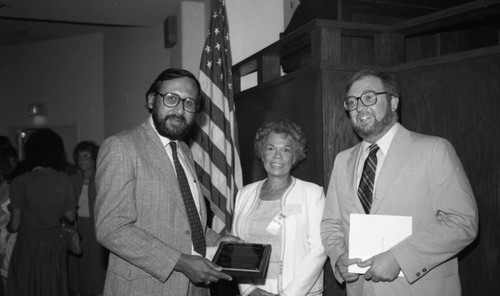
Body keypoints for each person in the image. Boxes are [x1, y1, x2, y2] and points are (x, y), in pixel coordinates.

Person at [320, 69, 478, 296]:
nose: (360, 107)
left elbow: (463, 222)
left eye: (369, 97)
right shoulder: (342, 160)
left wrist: (400, 258)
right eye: (352, 102)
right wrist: (338, 259)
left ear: (393, 102)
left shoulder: (434, 150)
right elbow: (331, 224)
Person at [94, 68, 242, 296]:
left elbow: (186, 221)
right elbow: (112, 228)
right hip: (145, 287)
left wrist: (218, 240)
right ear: (152, 100)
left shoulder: (183, 150)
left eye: (189, 103)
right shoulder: (121, 147)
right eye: (171, 98)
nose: (180, 110)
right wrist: (181, 262)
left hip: (196, 288)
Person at [232, 119, 326, 296]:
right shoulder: (243, 194)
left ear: (295, 156)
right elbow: (236, 249)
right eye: (270, 148)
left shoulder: (312, 194)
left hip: (299, 291)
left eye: (286, 150)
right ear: (262, 153)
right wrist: (249, 290)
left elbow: (318, 250)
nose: (277, 156)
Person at [6, 128, 76, 296]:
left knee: (28, 286)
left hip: (28, 245)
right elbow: (70, 216)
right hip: (54, 244)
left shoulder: (20, 181)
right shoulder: (64, 179)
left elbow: (15, 226)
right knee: (52, 286)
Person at [68, 141, 107, 296]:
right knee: (78, 265)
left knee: (96, 265)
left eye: (86, 156)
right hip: (78, 227)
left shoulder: (101, 178)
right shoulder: (72, 180)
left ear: (94, 158)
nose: (82, 160)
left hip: (97, 228)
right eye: (79, 157)